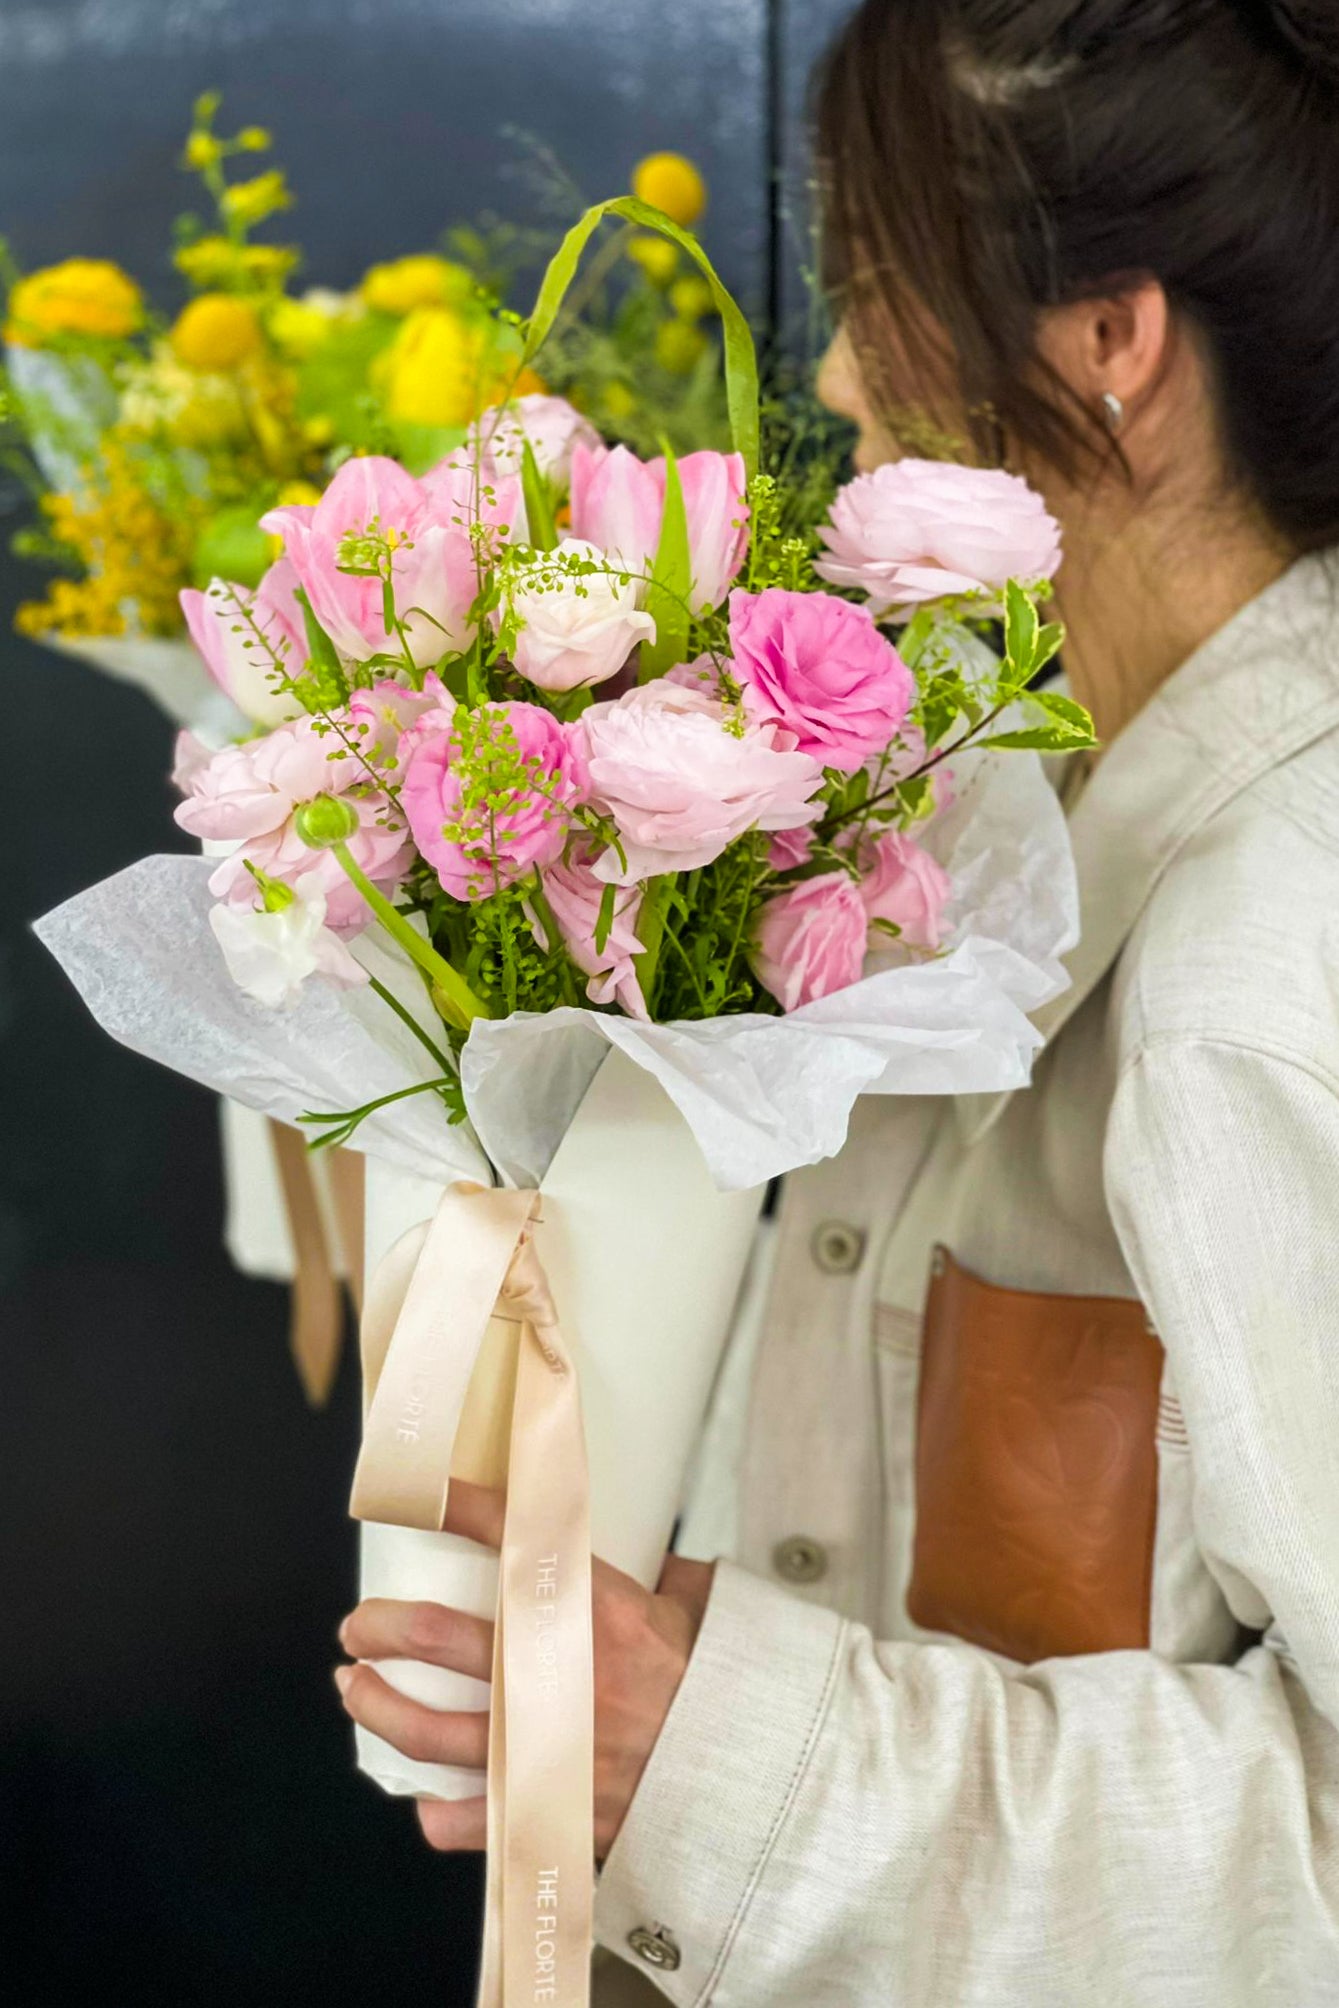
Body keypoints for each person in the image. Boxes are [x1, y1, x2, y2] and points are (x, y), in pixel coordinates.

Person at [333, 1, 1339, 1998]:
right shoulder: (1015, 808)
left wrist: (725, 1760)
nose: (837, 374)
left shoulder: (1264, 959)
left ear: (1110, 340)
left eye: (880, 285)